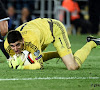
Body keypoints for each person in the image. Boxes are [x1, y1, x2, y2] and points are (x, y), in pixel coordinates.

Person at [4, 18, 99, 70]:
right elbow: (19, 57)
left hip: (54, 29)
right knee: (31, 58)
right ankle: (58, 54)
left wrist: (22, 68)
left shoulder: (32, 41)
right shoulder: (7, 46)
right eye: (12, 46)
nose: (15, 49)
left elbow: (39, 65)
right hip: (40, 30)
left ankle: (92, 42)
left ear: (23, 41)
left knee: (73, 67)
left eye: (18, 45)